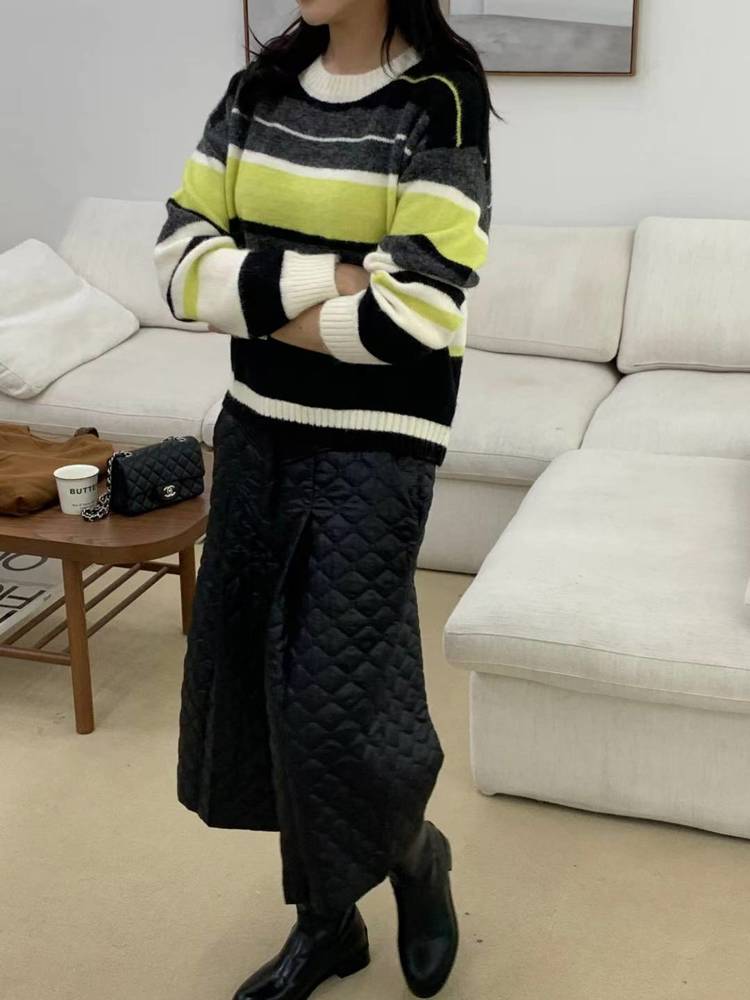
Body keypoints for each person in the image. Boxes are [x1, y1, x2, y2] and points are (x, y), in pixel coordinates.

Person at [154, 1, 494, 996]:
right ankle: (328, 923)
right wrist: (334, 278)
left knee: (338, 701)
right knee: (260, 688)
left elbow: (413, 316)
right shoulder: (256, 91)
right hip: (257, 424)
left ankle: (416, 854)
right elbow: (177, 267)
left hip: (381, 442)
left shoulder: (440, 97)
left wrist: (254, 299)